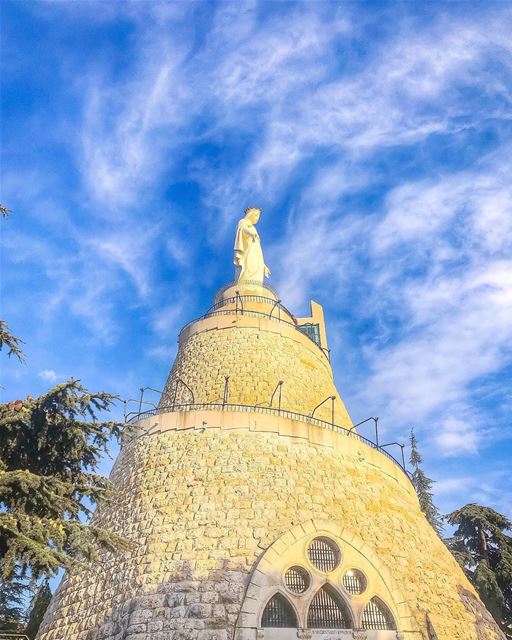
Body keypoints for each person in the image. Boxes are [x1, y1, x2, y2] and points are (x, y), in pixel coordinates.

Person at [233, 207, 271, 285]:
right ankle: (244, 286)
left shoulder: (253, 227)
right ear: (251, 215)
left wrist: (263, 265)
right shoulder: (243, 222)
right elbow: (242, 228)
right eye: (256, 215)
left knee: (257, 270)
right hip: (249, 252)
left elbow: (257, 248)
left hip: (257, 254)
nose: (257, 218)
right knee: (249, 269)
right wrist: (250, 232)